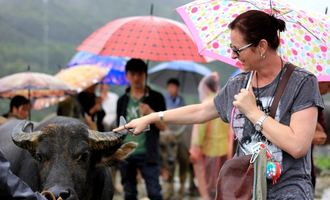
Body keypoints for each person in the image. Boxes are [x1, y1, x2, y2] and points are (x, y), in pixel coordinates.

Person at [115, 10, 323, 199]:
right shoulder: (240, 83)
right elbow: (201, 110)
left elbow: (298, 146)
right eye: (231, 49)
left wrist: (253, 112)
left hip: (287, 190)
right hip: (244, 189)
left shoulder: (302, 83)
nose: (233, 55)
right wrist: (150, 117)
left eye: (237, 49)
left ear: (261, 46)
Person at [116, 58, 166, 200]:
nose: (137, 78)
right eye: (133, 74)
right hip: (126, 153)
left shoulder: (156, 98)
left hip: (148, 152)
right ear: (127, 76)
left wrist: (151, 113)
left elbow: (163, 127)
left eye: (140, 74)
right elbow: (119, 127)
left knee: (154, 193)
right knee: (129, 194)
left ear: (145, 74)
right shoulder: (122, 100)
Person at [189, 72, 230, 200]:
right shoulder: (223, 101)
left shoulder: (207, 104)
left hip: (209, 152)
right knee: (220, 185)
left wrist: (195, 148)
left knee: (209, 187)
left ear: (205, 87)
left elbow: (200, 128)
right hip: (224, 150)